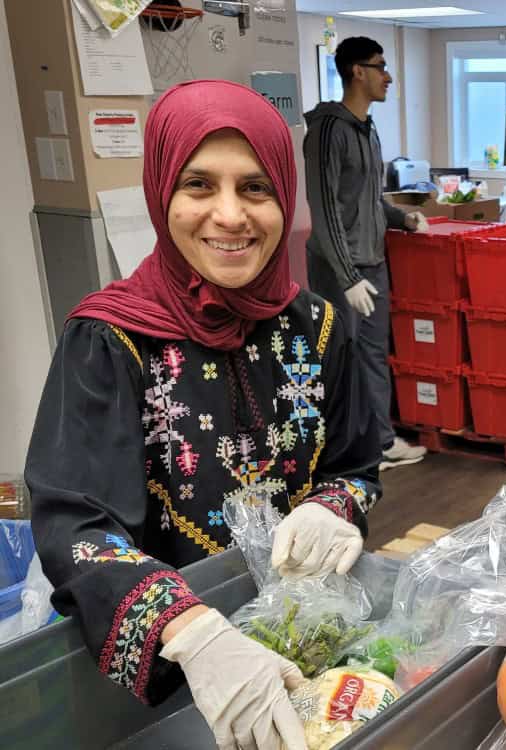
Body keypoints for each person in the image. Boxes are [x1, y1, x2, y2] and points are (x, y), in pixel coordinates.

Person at [25, 80, 384, 749]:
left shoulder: (321, 328)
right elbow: (76, 525)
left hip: (303, 646)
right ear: (163, 193)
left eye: (255, 188)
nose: (230, 215)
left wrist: (332, 508)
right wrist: (192, 634)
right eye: (199, 185)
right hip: (162, 682)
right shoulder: (111, 341)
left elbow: (357, 467)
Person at [303, 36, 428, 471]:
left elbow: (367, 199)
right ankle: (348, 451)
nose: (388, 76)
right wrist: (347, 276)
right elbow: (326, 211)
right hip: (341, 270)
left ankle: (381, 441)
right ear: (358, 71)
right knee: (343, 358)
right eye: (381, 66)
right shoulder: (327, 132)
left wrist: (401, 218)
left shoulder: (367, 130)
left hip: (372, 262)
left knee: (374, 353)